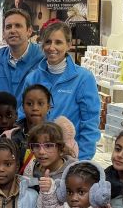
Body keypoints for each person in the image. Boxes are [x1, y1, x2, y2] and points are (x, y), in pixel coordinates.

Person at [22, 22, 100, 160]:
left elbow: (90, 123)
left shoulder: (83, 78)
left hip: (69, 157)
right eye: (48, 42)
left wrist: (80, 160)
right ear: (42, 45)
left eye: (58, 42)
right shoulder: (32, 78)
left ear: (69, 45)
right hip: (38, 156)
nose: (52, 47)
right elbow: (23, 116)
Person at [23, 122, 78, 208]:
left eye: (48, 146)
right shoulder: (32, 167)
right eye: (36, 146)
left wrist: (50, 191)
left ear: (61, 149)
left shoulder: (73, 173)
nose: (41, 152)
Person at [0, 9, 44, 97]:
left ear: (29, 31)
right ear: (4, 33)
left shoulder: (43, 60)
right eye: (8, 27)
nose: (12, 30)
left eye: (18, 26)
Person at [7, 84, 53, 172]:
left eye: (40, 103)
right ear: (23, 107)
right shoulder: (12, 135)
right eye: (29, 104)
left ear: (48, 107)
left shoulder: (56, 136)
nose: (35, 108)